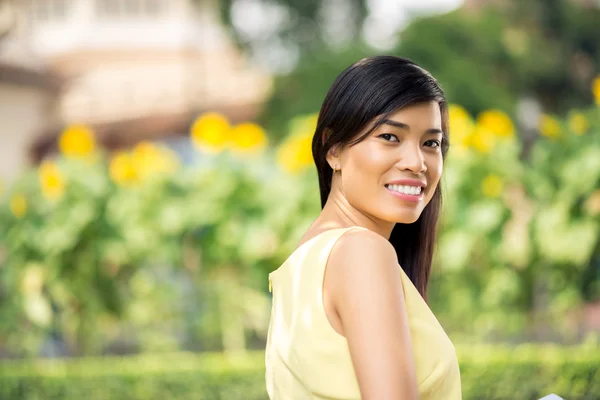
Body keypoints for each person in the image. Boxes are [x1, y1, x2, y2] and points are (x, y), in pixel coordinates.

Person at [265, 56, 462, 400]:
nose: (416, 163)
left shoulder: (305, 263)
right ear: (334, 149)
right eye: (389, 136)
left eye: (431, 143)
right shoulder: (361, 252)